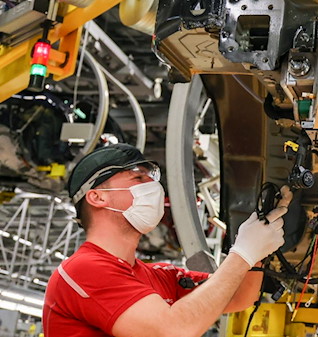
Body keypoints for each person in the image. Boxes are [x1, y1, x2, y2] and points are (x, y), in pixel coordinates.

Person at [42, 143, 292, 337]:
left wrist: (258, 242)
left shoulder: (159, 276)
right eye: (138, 178)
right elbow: (171, 331)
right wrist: (242, 254)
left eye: (152, 178)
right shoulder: (83, 270)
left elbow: (238, 296)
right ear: (97, 197)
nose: (153, 186)